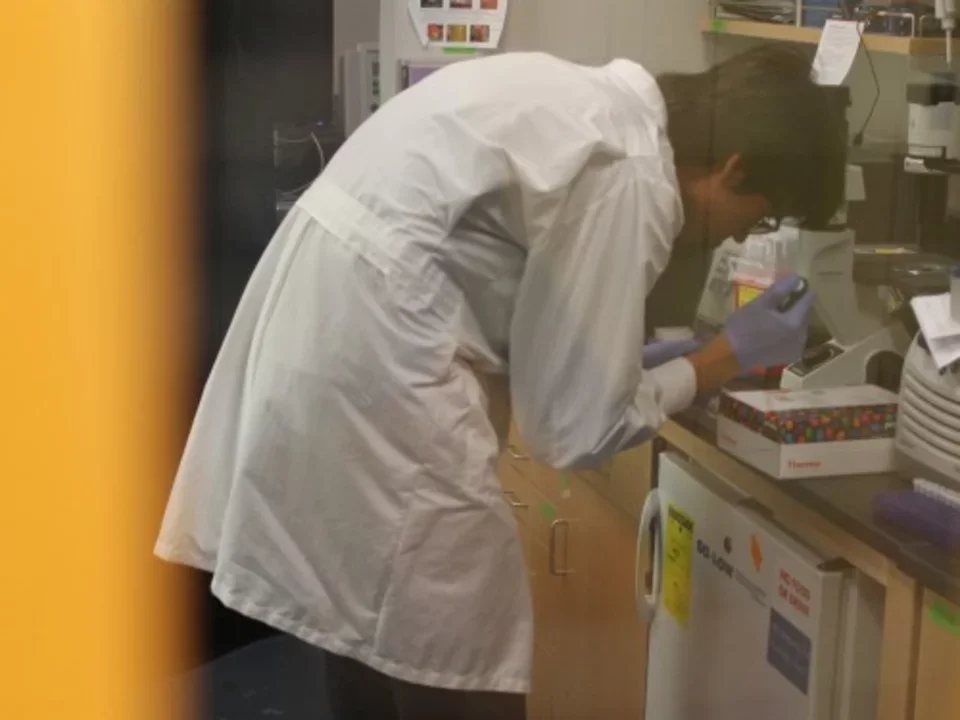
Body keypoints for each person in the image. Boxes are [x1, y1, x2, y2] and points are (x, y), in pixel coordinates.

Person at [156, 45, 846, 719]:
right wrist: (719, 359)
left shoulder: (592, 106)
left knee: (370, 636)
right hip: (385, 367)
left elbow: (526, 298)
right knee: (454, 655)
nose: (733, 239)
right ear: (733, 167)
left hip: (330, 336)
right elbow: (573, 429)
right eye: (754, 217)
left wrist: (650, 359)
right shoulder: (632, 173)